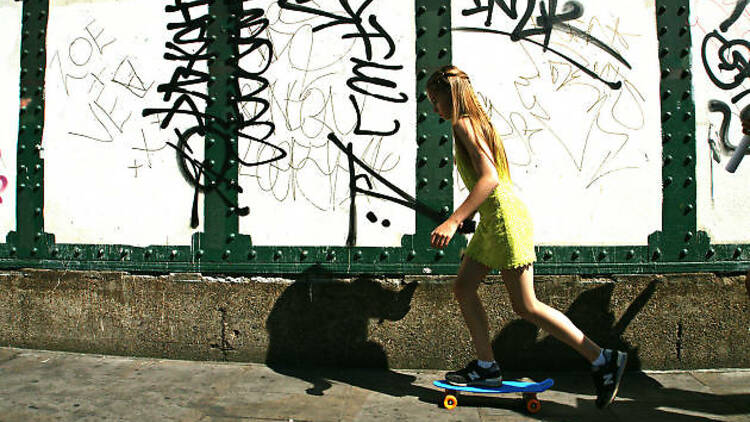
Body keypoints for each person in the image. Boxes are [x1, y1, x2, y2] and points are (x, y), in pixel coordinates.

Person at [426, 65, 627, 409]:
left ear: (448, 95)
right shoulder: (478, 122)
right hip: (495, 220)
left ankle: (602, 358)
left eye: (434, 100)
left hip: (504, 220)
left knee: (527, 305)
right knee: (463, 288)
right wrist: (474, 216)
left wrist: (455, 220)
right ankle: (487, 366)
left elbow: (488, 179)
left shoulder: (463, 124)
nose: (434, 109)